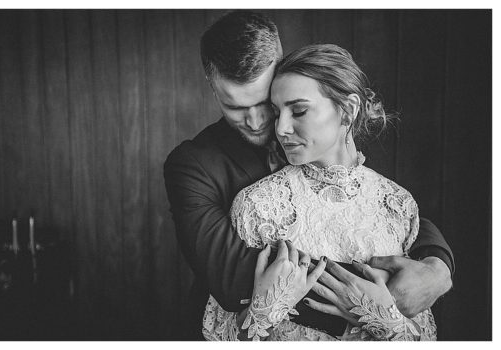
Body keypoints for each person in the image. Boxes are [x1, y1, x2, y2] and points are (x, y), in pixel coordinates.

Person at [163, 10, 454, 340]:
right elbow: (231, 278)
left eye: (264, 103)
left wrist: (437, 266)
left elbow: (374, 203)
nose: (259, 121)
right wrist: (375, 302)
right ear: (212, 86)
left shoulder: (315, 126)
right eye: (236, 108)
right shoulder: (193, 163)